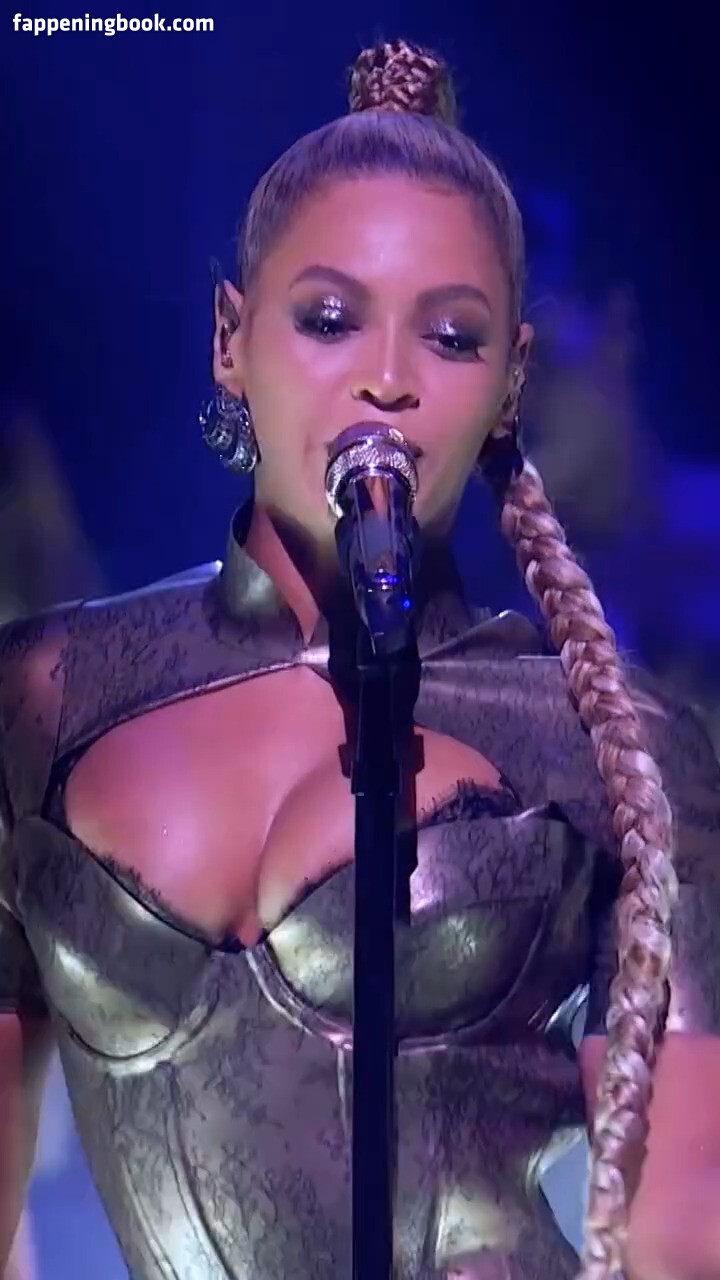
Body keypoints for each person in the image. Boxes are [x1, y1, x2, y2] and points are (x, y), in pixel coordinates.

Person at [1, 38, 719, 1280]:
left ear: (510, 382)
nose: (387, 379)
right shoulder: (46, 695)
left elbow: (684, 1225)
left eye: (452, 338)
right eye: (330, 319)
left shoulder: (606, 742)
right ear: (230, 337)